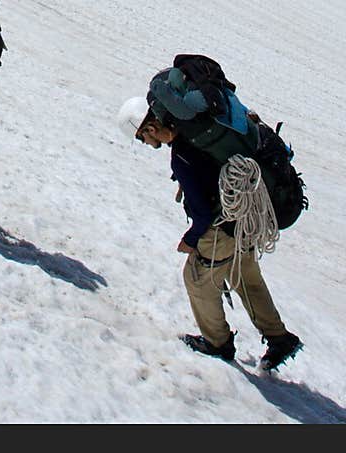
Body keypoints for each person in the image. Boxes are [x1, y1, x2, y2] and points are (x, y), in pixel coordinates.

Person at [121, 97, 302, 371]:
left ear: (149, 128)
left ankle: (217, 343)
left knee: (197, 279)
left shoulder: (182, 155)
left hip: (224, 226)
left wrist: (190, 241)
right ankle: (278, 337)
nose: (147, 144)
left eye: (142, 138)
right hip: (247, 213)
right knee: (244, 275)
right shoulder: (202, 133)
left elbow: (204, 213)